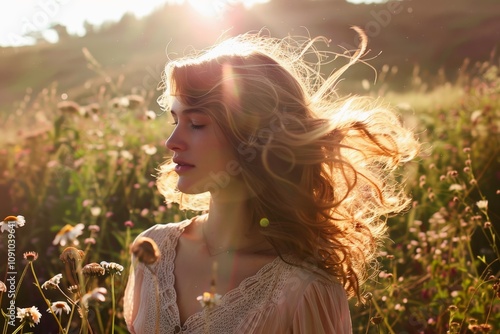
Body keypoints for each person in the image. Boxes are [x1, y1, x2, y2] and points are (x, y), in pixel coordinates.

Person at [124, 29, 419, 333]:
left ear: (254, 137)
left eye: (197, 124)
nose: (172, 142)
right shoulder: (152, 250)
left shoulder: (302, 289)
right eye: (175, 121)